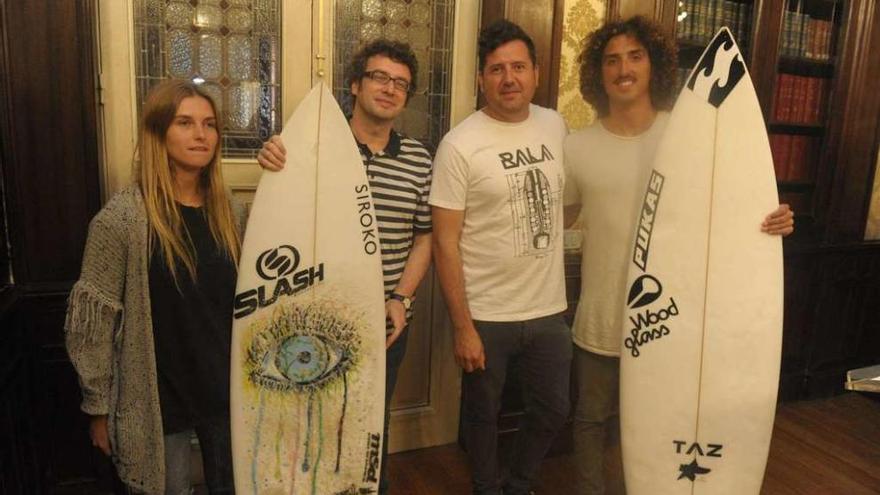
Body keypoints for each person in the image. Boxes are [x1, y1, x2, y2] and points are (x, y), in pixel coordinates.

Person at [563, 16, 795, 495]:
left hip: (672, 325)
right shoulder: (576, 147)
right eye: (611, 60)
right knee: (589, 421)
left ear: (654, 65)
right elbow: (559, 224)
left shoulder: (687, 138)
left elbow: (731, 209)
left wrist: (773, 220)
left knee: (658, 424)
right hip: (601, 316)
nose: (623, 68)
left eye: (634, 56)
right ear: (597, 73)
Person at [256, 39, 433, 495]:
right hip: (314, 319)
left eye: (401, 83)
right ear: (354, 84)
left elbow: (425, 237)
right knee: (304, 423)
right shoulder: (309, 151)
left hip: (384, 320)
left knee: (369, 423)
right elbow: (280, 221)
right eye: (379, 77)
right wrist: (273, 161)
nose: (390, 89)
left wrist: (402, 299)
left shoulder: (418, 160)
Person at [65, 79, 242, 494]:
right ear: (158, 132)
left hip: (226, 389)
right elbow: (93, 325)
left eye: (210, 124)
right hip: (159, 399)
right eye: (185, 123)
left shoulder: (229, 212)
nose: (201, 135)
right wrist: (98, 409)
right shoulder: (122, 220)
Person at [429, 20, 571, 495]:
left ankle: (520, 483)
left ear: (535, 71)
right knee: (482, 415)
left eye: (517, 67)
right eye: (496, 69)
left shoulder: (555, 125)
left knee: (552, 408)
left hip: (549, 309)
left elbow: (571, 198)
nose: (508, 78)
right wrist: (463, 326)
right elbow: (445, 241)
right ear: (481, 78)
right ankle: (487, 488)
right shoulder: (459, 145)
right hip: (487, 314)